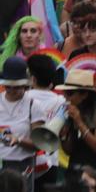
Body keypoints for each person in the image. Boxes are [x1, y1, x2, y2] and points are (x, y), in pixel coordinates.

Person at [57, 70, 96, 191]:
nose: (65, 97)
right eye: (65, 92)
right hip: (76, 170)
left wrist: (79, 122)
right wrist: (63, 136)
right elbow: (69, 151)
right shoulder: (72, 111)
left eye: (70, 93)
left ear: (84, 94)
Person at [0, 58, 41, 189]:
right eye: (8, 86)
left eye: (17, 86)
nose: (11, 90)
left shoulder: (33, 105)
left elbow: (39, 143)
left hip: (23, 165)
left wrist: (18, 140)